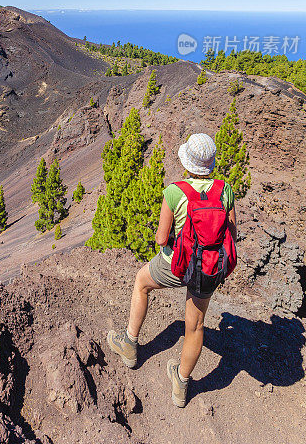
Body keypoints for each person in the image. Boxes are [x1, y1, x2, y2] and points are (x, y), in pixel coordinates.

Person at [107, 132, 237, 407]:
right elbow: (233, 234)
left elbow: (161, 239)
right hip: (208, 268)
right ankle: (181, 384)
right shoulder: (225, 190)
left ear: (188, 163)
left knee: (141, 282)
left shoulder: (175, 191)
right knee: (196, 325)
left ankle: (129, 345)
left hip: (175, 265)